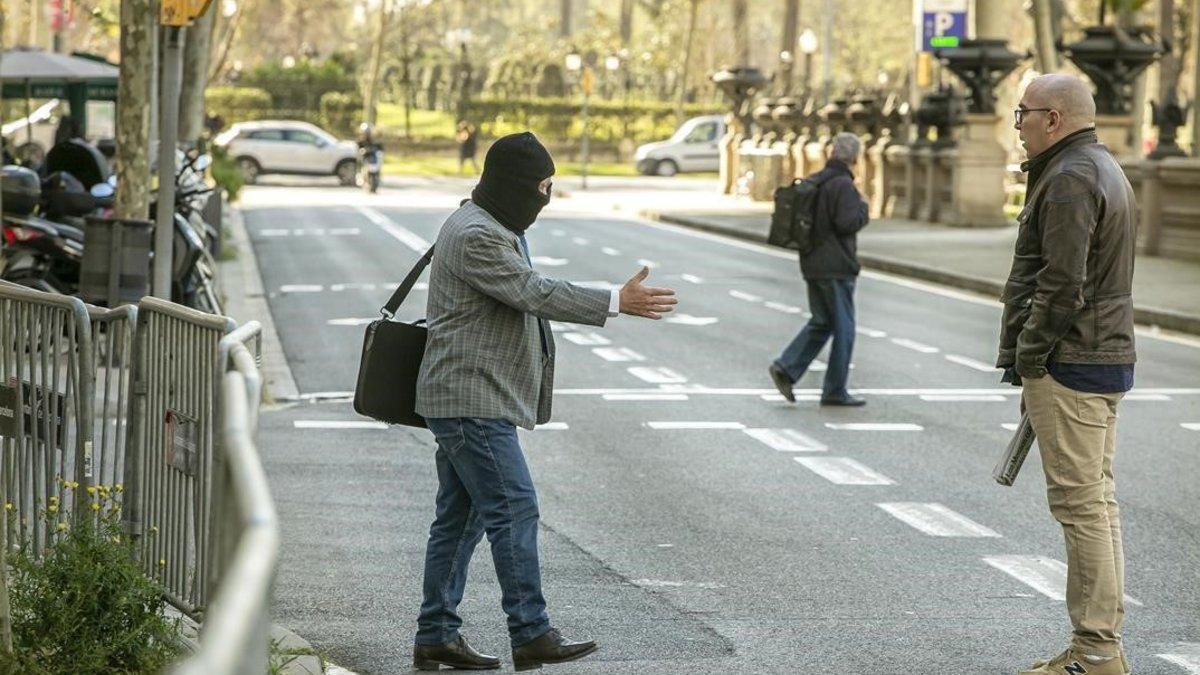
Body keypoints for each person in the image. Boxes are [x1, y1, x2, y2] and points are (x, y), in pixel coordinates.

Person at [411, 131, 677, 671]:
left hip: (472, 393)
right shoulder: (478, 234)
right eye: (541, 186)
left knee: (460, 519)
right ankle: (530, 632)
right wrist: (614, 301)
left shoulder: (491, 221)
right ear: (514, 185)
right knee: (514, 507)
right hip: (470, 396)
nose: (546, 196)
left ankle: (436, 633)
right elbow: (533, 292)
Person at [1001, 73, 1137, 675]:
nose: (1018, 125)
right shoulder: (1100, 166)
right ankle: (1097, 646)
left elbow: (1061, 284)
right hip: (1104, 356)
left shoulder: (1069, 178)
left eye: (1022, 114)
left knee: (1082, 510)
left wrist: (1030, 356)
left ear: (1052, 118)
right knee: (1097, 506)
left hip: (1072, 361)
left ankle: (1095, 652)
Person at [767, 131, 870, 407]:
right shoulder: (842, 186)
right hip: (836, 266)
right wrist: (864, 208)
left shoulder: (817, 180)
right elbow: (847, 222)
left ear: (831, 154)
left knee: (822, 322)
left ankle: (786, 368)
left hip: (812, 262)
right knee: (844, 328)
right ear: (854, 157)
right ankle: (835, 390)